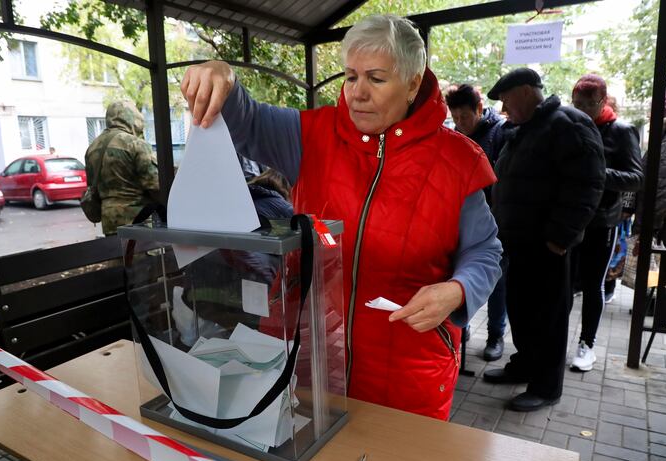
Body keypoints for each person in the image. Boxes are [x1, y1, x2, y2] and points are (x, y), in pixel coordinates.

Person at [180, 14, 502, 420]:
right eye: (350, 77)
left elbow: (485, 251)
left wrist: (458, 289)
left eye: (376, 78)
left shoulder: (457, 160)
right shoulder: (311, 134)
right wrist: (221, 75)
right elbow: (246, 117)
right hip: (307, 357)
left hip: (408, 373)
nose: (357, 93)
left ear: (413, 83)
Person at [483, 68, 606, 411]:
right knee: (522, 310)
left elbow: (588, 183)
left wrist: (560, 237)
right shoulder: (527, 129)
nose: (504, 109)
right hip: (520, 243)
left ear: (524, 92)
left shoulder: (569, 123)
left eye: (506, 99)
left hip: (547, 246)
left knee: (548, 317)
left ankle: (547, 386)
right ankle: (524, 366)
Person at [568, 74, 643, 372]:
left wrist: (598, 173)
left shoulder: (621, 131)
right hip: (570, 220)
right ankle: (556, 341)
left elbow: (636, 178)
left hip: (602, 221)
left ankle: (587, 343)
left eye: (589, 104)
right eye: (577, 104)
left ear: (603, 101)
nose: (582, 110)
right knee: (564, 285)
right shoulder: (570, 126)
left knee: (593, 284)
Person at [446, 83, 515, 361]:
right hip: (461, 223)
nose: (461, 123)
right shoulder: (452, 138)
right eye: (456, 117)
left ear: (479, 109)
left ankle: (495, 335)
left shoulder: (500, 134)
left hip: (496, 225)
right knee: (459, 279)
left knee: (496, 283)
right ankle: (460, 330)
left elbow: (504, 181)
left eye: (465, 116)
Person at [84, 101, 161, 235]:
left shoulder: (92, 148)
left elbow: (92, 186)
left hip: (109, 223)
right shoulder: (135, 144)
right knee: (140, 255)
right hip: (139, 221)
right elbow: (155, 184)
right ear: (131, 118)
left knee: (117, 254)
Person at [635, 93, 666, 248]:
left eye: (653, 109)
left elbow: (662, 187)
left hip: (660, 227)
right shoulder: (662, 137)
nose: (649, 114)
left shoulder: (665, 141)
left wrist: (647, 230)